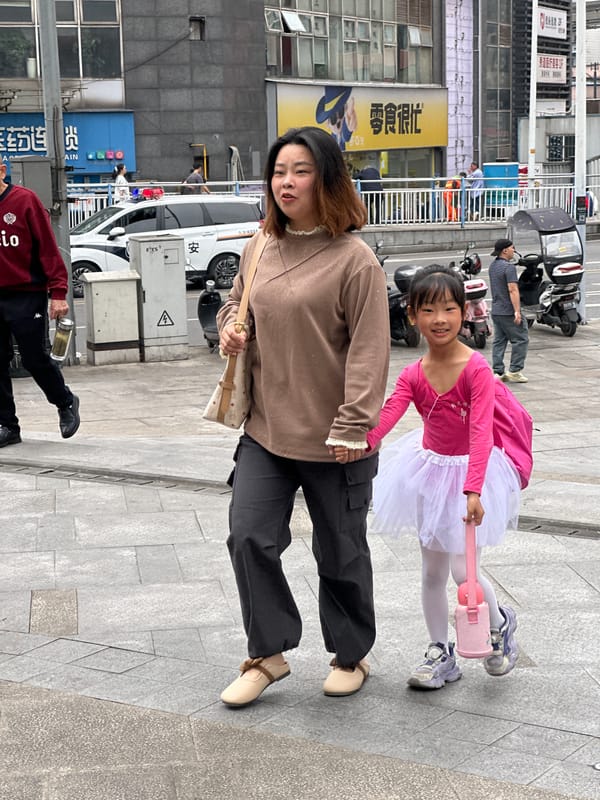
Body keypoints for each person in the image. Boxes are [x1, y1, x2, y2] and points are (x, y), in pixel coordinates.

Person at [216, 126, 390, 708]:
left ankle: (350, 654)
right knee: (247, 535)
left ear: (327, 179)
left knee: (340, 552)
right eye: (278, 172)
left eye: (300, 171)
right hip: (266, 429)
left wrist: (354, 423)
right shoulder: (260, 246)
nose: (285, 183)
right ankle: (267, 654)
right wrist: (230, 327)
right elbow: (236, 301)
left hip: (336, 436)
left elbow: (369, 350)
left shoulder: (355, 260)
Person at [364, 264, 521, 690]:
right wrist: (360, 442)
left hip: (474, 474)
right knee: (432, 571)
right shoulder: (413, 373)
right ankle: (440, 652)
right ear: (412, 315)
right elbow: (388, 416)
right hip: (429, 472)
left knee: (463, 571)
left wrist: (473, 489)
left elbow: (481, 431)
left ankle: (500, 624)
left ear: (464, 312)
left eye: (450, 308)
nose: (439, 319)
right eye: (428, 310)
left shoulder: (476, 369)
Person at [0, 160, 81, 447]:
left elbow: (48, 249)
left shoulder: (25, 201)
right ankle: (7, 425)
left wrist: (58, 292)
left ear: (1, 170)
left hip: (26, 293)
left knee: (34, 358)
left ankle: (65, 401)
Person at [489, 238, 529, 383]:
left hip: (496, 310)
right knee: (521, 339)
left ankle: (498, 371)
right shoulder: (509, 268)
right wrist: (517, 311)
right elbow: (512, 289)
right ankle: (515, 370)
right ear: (505, 250)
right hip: (508, 311)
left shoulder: (493, 266)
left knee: (499, 341)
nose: (514, 250)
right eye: (512, 248)